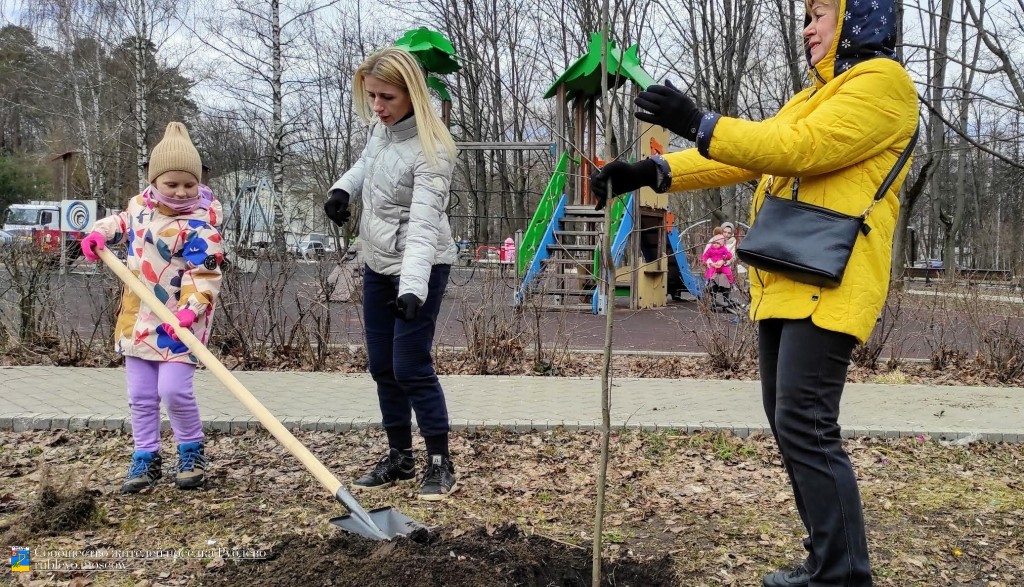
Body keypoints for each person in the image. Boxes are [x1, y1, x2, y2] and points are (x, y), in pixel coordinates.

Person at [589, 0, 917, 584]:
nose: (808, 28)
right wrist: (653, 172)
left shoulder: (882, 85)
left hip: (831, 280)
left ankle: (842, 575)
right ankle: (827, 560)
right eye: (807, 17)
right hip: (787, 273)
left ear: (858, 18)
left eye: (820, 14)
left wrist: (698, 121)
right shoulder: (816, 93)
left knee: (807, 423)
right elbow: (753, 153)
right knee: (788, 418)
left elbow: (797, 149)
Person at [323, 46, 459, 501]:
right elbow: (366, 163)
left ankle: (440, 462)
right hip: (378, 260)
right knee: (382, 365)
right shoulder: (380, 131)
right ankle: (399, 456)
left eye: (387, 98)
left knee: (410, 365)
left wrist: (413, 288)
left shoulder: (433, 150)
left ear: (412, 95)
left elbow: (423, 226)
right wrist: (341, 190)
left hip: (420, 267)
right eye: (372, 97)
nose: (377, 107)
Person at [80, 122, 224, 494]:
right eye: (171, 184)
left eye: (188, 184)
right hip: (137, 319)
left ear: (198, 183)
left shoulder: (200, 227)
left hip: (179, 322)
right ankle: (145, 456)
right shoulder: (139, 208)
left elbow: (204, 271)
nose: (180, 191)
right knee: (142, 396)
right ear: (154, 182)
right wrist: (99, 233)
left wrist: (191, 311)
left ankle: (191, 451)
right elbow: (121, 222)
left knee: (174, 391)